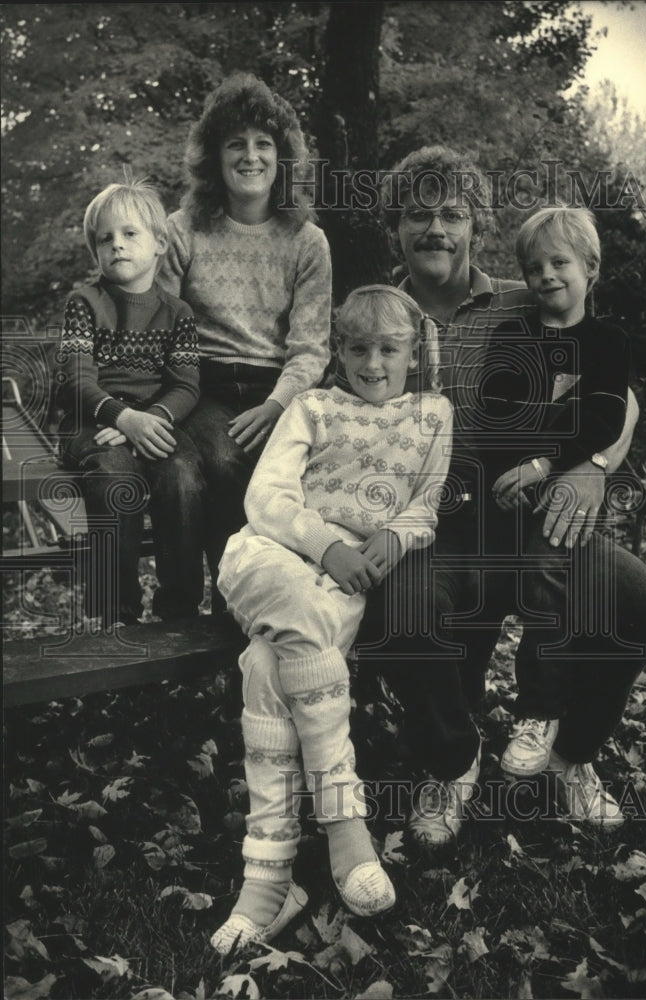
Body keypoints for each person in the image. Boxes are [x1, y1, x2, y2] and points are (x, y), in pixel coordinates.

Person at [351, 145, 646, 844]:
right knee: (402, 608)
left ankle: (573, 753)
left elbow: (624, 400)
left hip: (532, 523)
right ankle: (451, 761)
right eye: (418, 215)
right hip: (433, 532)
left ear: (475, 226)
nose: (436, 229)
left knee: (639, 602)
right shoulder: (372, 321)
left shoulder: (526, 301)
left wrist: (593, 466)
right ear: (394, 229)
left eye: (452, 214)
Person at [209, 285, 454, 954]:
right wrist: (327, 543)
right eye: (357, 348)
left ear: (413, 353)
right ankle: (346, 828)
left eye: (389, 348)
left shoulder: (434, 415)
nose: (373, 364)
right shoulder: (313, 406)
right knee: (295, 615)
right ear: (338, 352)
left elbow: (425, 504)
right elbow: (266, 496)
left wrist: (396, 537)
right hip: (274, 554)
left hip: (339, 587)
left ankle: (268, 880)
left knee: (267, 664)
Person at [157, 73, 332, 607]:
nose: (250, 156)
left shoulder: (307, 240)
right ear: (215, 157)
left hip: (275, 389)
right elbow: (156, 327)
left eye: (263, 145)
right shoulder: (181, 229)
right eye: (236, 144)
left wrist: (277, 405)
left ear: (282, 159)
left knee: (266, 471)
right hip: (198, 382)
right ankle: (205, 607)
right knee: (224, 460)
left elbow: (310, 347)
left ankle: (251, 604)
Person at [479, 206, 631, 780]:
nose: (546, 275)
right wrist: (515, 470)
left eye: (560, 262)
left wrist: (544, 461)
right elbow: (497, 417)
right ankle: (454, 751)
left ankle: (540, 713)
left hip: (556, 499)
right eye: (534, 266)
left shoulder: (608, 343)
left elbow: (603, 420)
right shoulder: (510, 337)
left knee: (551, 572)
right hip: (503, 492)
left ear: (591, 267)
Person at [57, 179, 202, 626]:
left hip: (155, 420)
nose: (117, 245)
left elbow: (186, 386)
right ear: (96, 251)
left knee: (183, 474)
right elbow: (74, 381)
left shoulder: (178, 313)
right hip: (92, 424)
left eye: (130, 234)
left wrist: (148, 421)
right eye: (106, 238)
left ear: (160, 243)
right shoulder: (85, 303)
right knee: (114, 476)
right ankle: (113, 612)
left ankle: (180, 609)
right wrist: (123, 417)